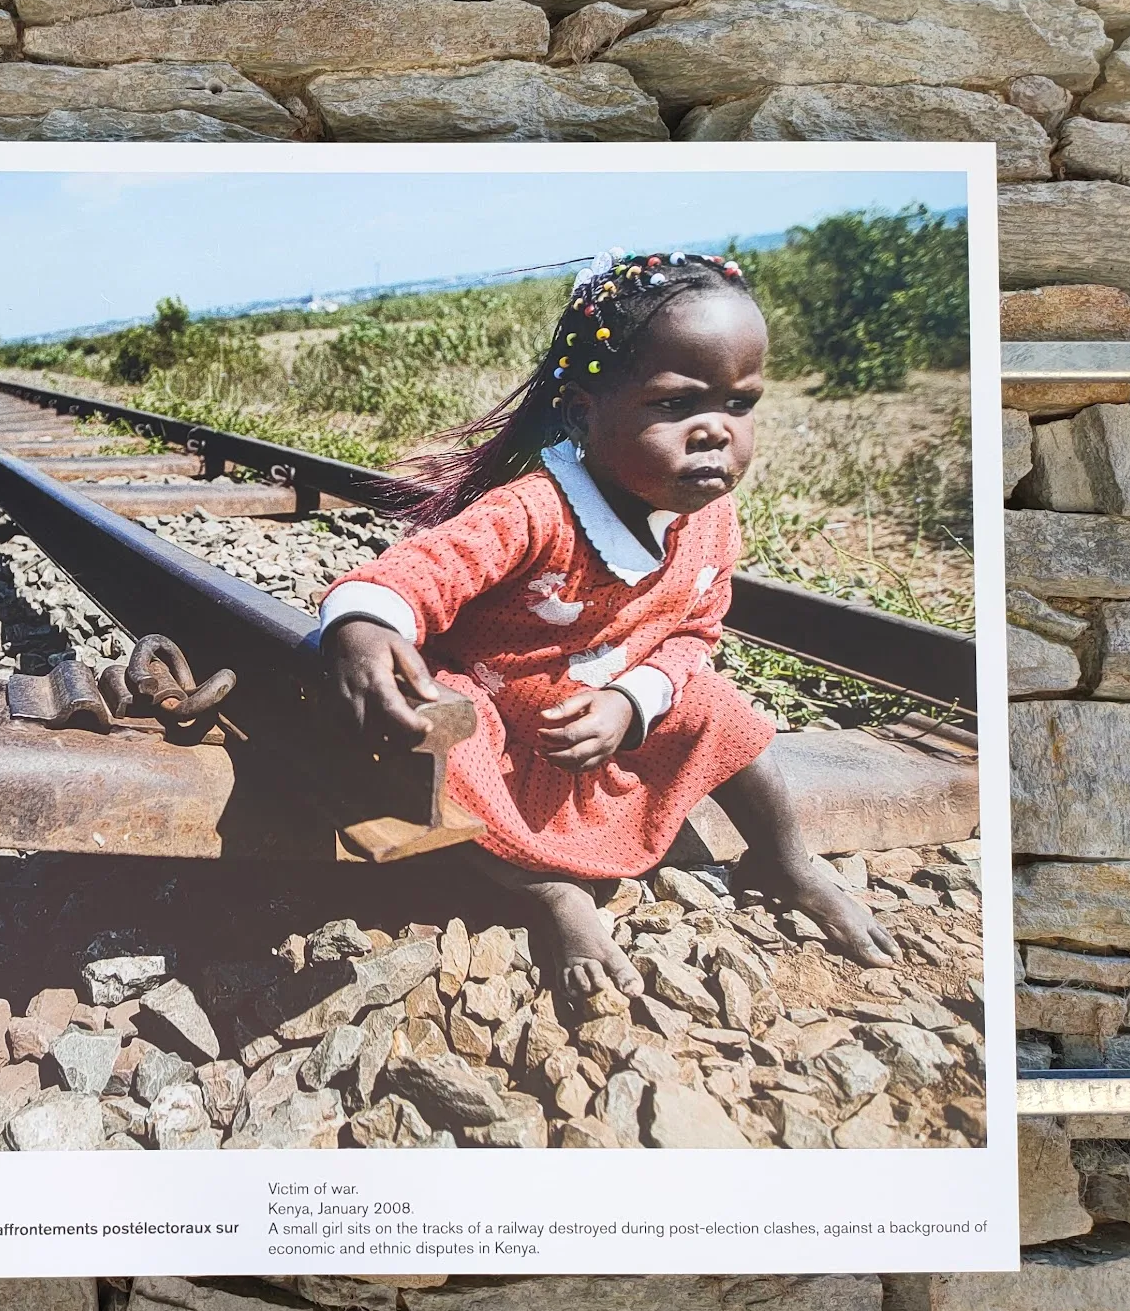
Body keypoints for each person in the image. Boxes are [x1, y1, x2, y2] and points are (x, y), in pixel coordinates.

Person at [319, 250, 899, 1006]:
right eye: (675, 405)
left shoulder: (711, 520)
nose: (715, 433)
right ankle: (550, 892)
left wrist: (631, 704)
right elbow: (419, 571)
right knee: (438, 740)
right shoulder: (535, 509)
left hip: (604, 726)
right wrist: (363, 625)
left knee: (722, 710)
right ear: (584, 413)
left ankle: (788, 861)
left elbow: (697, 633)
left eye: (739, 404)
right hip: (503, 730)